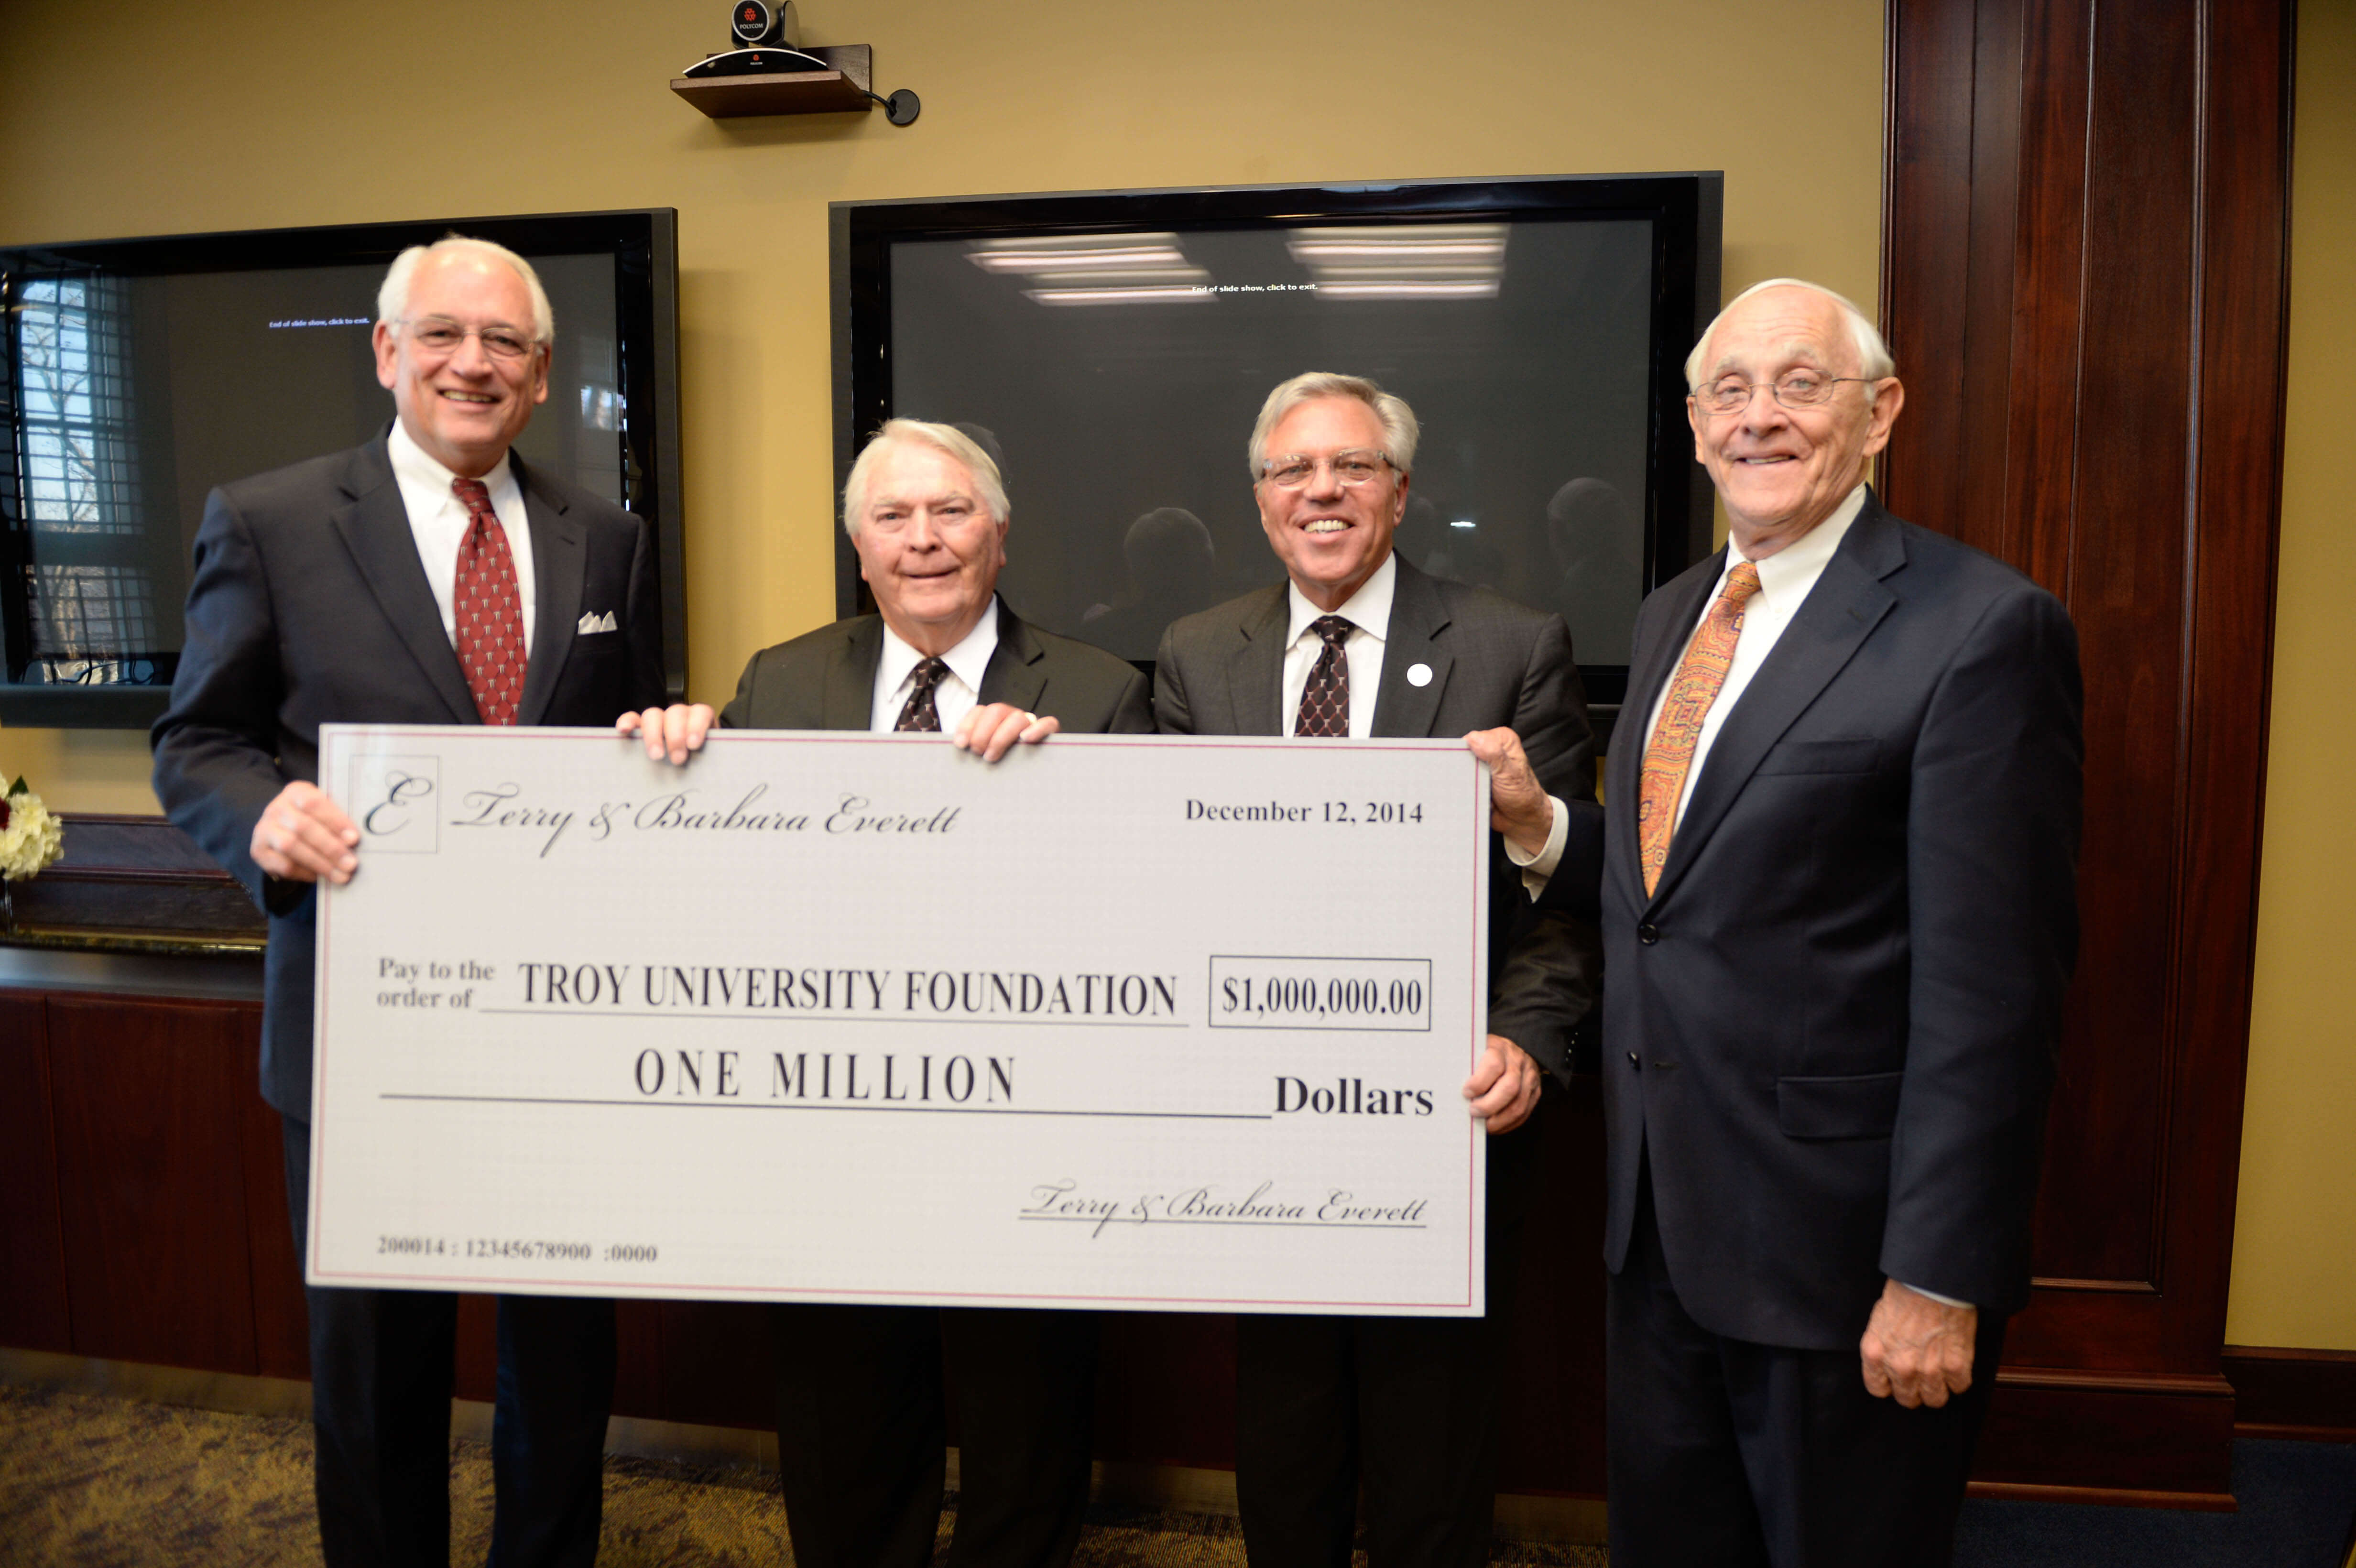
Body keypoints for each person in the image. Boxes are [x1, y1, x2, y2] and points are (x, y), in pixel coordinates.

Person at [151, 236, 665, 1566]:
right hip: (363, 1031)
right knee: (378, 1378)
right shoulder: (266, 519)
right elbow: (195, 742)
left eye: (504, 343)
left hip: (564, 1030)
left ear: (543, 375)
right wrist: (258, 813)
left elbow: (623, 736)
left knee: (561, 1364)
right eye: (442, 335)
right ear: (387, 352)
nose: (472, 364)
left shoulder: (605, 540)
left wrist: (672, 740)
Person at [1599, 279, 2083, 1567]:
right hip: (1660, 1241)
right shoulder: (1674, 614)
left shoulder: (1981, 630)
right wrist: (1543, 828)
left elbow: (1994, 997)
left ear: (1881, 414)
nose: (1760, 418)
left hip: (1844, 1269)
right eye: (1730, 391)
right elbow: (1679, 895)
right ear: (1696, 426)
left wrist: (1937, 1276)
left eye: (1801, 385)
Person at [621, 417, 1151, 1568]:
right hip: (835, 1134)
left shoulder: (1103, 694)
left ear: (1000, 536)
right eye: (893, 518)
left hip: (1028, 1134)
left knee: (1027, 1434)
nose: (925, 540)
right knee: (843, 1431)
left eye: (952, 511)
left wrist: (1070, 793)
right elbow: (716, 892)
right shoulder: (781, 676)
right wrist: (665, 764)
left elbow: (1146, 921)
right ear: (857, 547)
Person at [1152, 371, 1603, 1568]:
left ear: (1398, 494)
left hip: (1446, 1108)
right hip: (1260, 1114)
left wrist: (1531, 1039)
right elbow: (1162, 883)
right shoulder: (1199, 655)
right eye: (1293, 471)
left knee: (1429, 1440)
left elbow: (1562, 897)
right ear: (1260, 503)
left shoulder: (1514, 643)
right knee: (1286, 1428)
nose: (1322, 491)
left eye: (1351, 467)